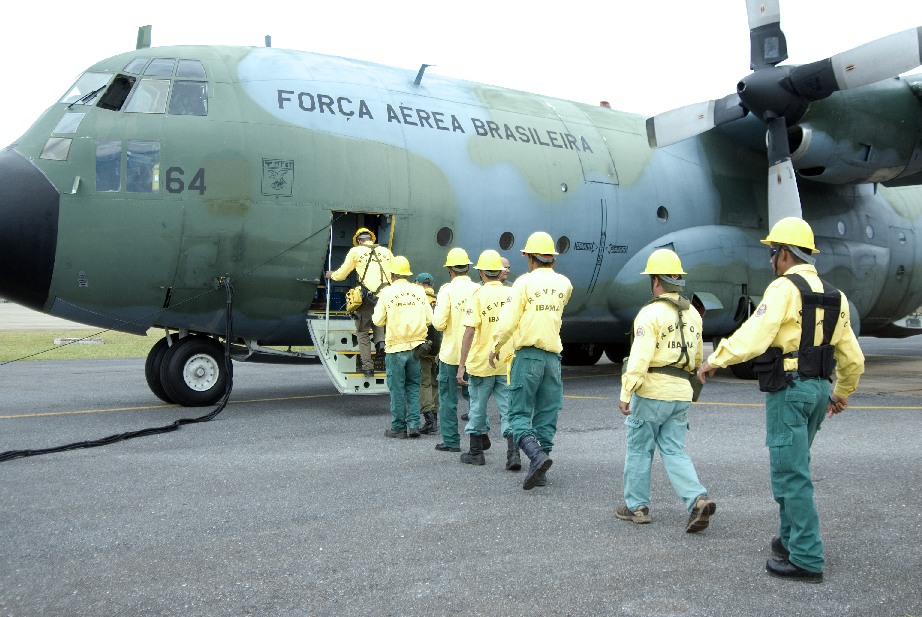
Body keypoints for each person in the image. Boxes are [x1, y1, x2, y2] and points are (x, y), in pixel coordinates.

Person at [698, 217, 865, 584]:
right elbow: (853, 358)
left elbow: (756, 334)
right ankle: (790, 540)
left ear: (784, 253)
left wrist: (716, 358)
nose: (771, 261)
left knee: (791, 474)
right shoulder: (837, 296)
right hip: (819, 390)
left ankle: (806, 556)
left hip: (789, 391)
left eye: (772, 253)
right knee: (796, 466)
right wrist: (841, 393)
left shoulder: (783, 289)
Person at [616, 248, 715, 532]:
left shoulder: (651, 313)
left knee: (639, 449)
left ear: (656, 281)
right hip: (681, 391)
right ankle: (697, 499)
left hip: (651, 391)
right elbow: (696, 360)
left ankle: (637, 507)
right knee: (674, 450)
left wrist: (626, 392)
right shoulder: (694, 316)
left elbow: (640, 357)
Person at [490, 231, 572, 489]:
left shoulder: (523, 284)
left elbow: (508, 320)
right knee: (547, 414)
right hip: (552, 359)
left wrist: (496, 346)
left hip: (527, 357)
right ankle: (542, 467)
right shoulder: (565, 284)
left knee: (518, 414)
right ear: (553, 260)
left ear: (529, 258)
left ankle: (536, 457)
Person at [456, 250, 517, 468]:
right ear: (500, 272)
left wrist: (461, 366)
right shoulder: (512, 294)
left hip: (482, 364)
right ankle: (513, 454)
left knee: (477, 408)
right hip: (507, 361)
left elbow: (470, 332)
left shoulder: (477, 296)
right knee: (509, 409)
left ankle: (475, 453)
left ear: (481, 273)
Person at [372, 256, 433, 438]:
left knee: (397, 389)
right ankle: (414, 424)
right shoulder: (420, 292)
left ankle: (399, 427)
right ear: (407, 274)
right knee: (414, 387)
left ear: (392, 274)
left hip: (395, 348)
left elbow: (377, 320)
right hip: (416, 348)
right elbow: (430, 319)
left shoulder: (387, 293)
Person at [326, 227, 393, 377]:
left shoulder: (356, 252)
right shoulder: (386, 252)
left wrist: (331, 275)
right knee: (380, 322)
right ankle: (380, 343)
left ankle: (368, 368)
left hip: (367, 297)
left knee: (362, 332)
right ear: (371, 239)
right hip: (386, 296)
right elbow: (394, 274)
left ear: (358, 240)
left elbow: (342, 274)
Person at [432, 247, 479, 453]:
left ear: (450, 270)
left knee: (448, 399)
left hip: (451, 354)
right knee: (476, 398)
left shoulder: (446, 290)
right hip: (475, 353)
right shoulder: (479, 289)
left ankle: (451, 441)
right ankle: (477, 440)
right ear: (468, 268)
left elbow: (439, 323)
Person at [415, 272, 440, 434]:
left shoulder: (418, 301)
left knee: (424, 383)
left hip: (423, 347)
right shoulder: (440, 300)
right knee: (434, 383)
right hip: (439, 349)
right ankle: (435, 417)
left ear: (418, 284)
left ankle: (429, 420)